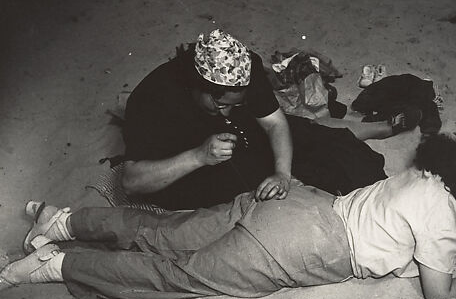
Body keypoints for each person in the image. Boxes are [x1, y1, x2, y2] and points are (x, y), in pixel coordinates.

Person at [0, 129, 456, 299]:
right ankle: (59, 266)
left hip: (297, 202)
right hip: (304, 248)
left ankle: (64, 222)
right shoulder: (443, 218)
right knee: (176, 275)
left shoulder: (422, 182)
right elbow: (438, 291)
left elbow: (439, 234)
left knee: (169, 229)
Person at [119, 29, 400, 210]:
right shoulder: (154, 96)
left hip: (240, 139)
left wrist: (282, 173)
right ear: (198, 86)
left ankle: (376, 151)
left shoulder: (247, 70)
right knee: (249, 200)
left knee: (322, 142)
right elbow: (132, 182)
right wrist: (198, 156)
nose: (227, 111)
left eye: (236, 104)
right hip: (190, 165)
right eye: (219, 104)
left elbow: (275, 123)